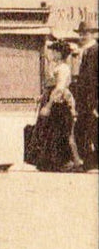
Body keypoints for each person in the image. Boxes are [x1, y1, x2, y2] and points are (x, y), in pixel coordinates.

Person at [31, 40, 84, 173]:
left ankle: (72, 161)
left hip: (59, 104)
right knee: (52, 132)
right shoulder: (56, 66)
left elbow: (59, 88)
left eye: (54, 51)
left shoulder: (63, 68)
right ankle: (55, 161)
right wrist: (43, 97)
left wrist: (48, 105)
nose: (52, 53)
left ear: (60, 53)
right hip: (53, 100)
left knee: (62, 132)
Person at [72, 19, 97, 171]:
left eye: (85, 34)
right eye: (80, 34)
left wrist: (95, 104)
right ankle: (88, 163)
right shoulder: (86, 52)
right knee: (83, 131)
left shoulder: (95, 51)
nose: (82, 37)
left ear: (92, 34)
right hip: (84, 102)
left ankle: (90, 164)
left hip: (91, 102)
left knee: (88, 132)